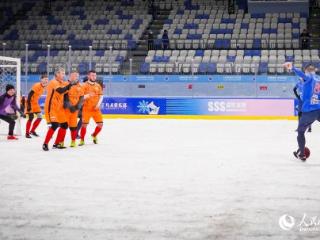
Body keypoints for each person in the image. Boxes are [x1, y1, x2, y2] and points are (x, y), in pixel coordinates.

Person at [284, 62, 320, 161]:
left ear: (306, 71)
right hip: (318, 109)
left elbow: (302, 74)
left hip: (309, 111)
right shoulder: (318, 79)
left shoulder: (308, 78)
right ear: (315, 70)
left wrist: (292, 68)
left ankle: (302, 154)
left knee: (300, 132)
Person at [42, 67, 72, 151]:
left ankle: (56, 143)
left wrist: (72, 82)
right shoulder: (53, 82)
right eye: (62, 73)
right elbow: (61, 90)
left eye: (64, 73)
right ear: (57, 74)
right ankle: (45, 143)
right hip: (51, 107)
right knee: (54, 125)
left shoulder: (62, 82)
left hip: (59, 108)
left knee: (64, 125)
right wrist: (70, 84)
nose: (64, 75)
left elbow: (66, 89)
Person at [79, 70, 103, 146]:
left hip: (96, 109)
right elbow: (80, 98)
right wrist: (87, 96)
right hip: (86, 109)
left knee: (100, 125)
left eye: (95, 75)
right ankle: (82, 140)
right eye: (92, 75)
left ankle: (94, 135)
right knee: (84, 125)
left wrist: (98, 105)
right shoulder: (84, 85)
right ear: (88, 76)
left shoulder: (98, 85)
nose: (94, 77)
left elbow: (101, 96)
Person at [63, 71, 84, 147]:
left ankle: (73, 141)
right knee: (63, 127)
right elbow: (64, 97)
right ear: (70, 77)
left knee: (73, 127)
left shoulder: (80, 86)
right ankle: (60, 142)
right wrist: (70, 106)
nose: (75, 77)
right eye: (73, 76)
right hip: (66, 110)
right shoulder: (65, 84)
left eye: (77, 76)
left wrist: (77, 107)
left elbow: (81, 98)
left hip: (75, 110)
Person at [25, 73, 48, 138]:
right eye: (45, 79)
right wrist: (29, 105)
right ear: (41, 79)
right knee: (31, 117)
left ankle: (32, 131)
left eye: (47, 79)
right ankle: (27, 133)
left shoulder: (45, 87)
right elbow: (29, 95)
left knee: (40, 117)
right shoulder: (37, 85)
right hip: (30, 102)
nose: (46, 80)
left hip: (35, 103)